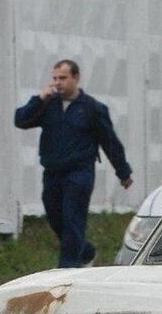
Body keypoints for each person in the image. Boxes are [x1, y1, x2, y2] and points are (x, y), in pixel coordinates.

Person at [14, 59, 133, 268]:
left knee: (72, 218)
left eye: (63, 78)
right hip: (52, 172)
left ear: (75, 78)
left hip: (79, 172)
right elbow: (20, 120)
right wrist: (39, 98)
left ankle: (67, 269)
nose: (58, 83)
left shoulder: (92, 108)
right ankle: (85, 252)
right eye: (55, 78)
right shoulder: (48, 105)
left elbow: (110, 142)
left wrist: (123, 173)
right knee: (54, 216)